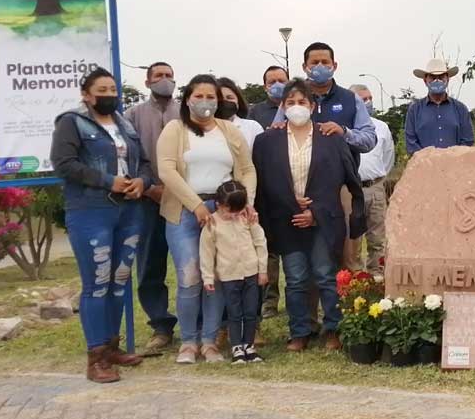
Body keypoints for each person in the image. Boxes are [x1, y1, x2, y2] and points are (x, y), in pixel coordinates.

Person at [51, 67, 151, 383]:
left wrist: (142, 182)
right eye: (102, 89)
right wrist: (109, 181)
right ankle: (95, 358)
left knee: (120, 281)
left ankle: (111, 347)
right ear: (86, 94)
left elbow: (145, 163)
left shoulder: (125, 124)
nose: (109, 94)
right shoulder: (71, 122)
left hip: (130, 211)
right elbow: (64, 164)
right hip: (91, 211)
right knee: (97, 282)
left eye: (113, 89)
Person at [252, 79, 367, 352]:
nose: (296, 107)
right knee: (295, 279)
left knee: (326, 275)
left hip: (323, 218)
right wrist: (293, 205)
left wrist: (313, 211)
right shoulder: (267, 140)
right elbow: (265, 182)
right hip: (286, 220)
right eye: (290, 102)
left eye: (302, 102)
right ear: (282, 106)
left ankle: (333, 329)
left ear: (312, 106)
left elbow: (339, 179)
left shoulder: (330, 138)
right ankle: (299, 331)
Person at [157, 74, 257, 365]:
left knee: (218, 276)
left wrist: (245, 202)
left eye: (210, 96)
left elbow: (247, 169)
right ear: (187, 99)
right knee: (190, 277)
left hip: (225, 210)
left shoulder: (229, 131)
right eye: (198, 96)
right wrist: (197, 206)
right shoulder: (174, 130)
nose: (204, 102)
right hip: (185, 211)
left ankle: (210, 341)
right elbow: (167, 171)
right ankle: (188, 341)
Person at [123, 61, 180, 355]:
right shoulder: (132, 115)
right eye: (158, 76)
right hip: (146, 199)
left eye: (169, 76)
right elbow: (126, 156)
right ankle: (161, 325)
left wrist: (175, 189)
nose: (165, 80)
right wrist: (148, 186)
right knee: (149, 266)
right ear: (147, 82)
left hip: (183, 198)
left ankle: (197, 322)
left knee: (190, 264)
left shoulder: (185, 111)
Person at [200, 180, 268, 364]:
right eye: (230, 211)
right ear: (219, 205)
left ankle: (249, 345)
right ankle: (237, 346)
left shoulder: (248, 219)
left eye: (238, 210)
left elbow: (260, 243)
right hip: (229, 276)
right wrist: (208, 277)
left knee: (251, 311)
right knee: (234, 313)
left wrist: (262, 270)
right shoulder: (212, 224)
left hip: (251, 273)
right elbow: (206, 253)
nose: (234, 215)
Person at [271, 42, 377, 159]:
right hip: (299, 173)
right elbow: (275, 133)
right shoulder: (291, 100)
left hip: (342, 175)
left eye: (325, 62)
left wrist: (344, 133)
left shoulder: (351, 99)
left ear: (334, 66)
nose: (320, 66)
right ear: (304, 67)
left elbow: (370, 140)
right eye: (315, 63)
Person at [249, 66, 289, 318]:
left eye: (281, 80)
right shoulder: (255, 113)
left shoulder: (299, 107)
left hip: (292, 187)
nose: (277, 84)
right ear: (264, 86)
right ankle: (269, 302)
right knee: (269, 249)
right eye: (272, 81)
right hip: (265, 188)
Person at [347, 84, 396, 274]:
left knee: (378, 241)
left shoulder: (381, 127)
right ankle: (354, 289)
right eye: (362, 99)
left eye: (369, 98)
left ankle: (377, 283)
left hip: (375, 187)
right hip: (351, 189)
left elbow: (388, 157)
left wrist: (377, 178)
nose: (367, 102)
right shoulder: (344, 126)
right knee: (353, 243)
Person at [405, 58, 474, 155]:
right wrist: (429, 159)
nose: (437, 80)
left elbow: (467, 140)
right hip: (425, 166)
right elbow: (411, 143)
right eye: (432, 77)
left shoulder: (460, 109)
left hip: (455, 165)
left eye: (441, 77)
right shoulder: (415, 110)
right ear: (425, 80)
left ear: (448, 79)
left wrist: (452, 157)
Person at [217, 77, 264, 148]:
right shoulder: (202, 129)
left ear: (238, 101)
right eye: (219, 98)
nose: (225, 102)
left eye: (229, 98)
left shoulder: (253, 127)